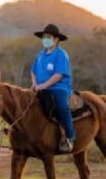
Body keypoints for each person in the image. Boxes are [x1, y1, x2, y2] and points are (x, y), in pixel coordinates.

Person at [30, 23, 74, 152]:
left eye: (48, 37)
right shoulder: (40, 55)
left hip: (59, 87)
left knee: (61, 106)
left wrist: (44, 85)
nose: (45, 40)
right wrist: (34, 84)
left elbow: (59, 74)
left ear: (56, 39)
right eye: (44, 37)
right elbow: (33, 71)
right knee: (24, 104)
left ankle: (69, 138)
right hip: (40, 88)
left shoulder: (61, 54)